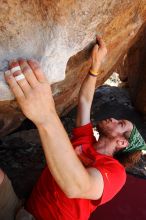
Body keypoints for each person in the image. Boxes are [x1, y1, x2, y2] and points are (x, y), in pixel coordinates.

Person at [1, 36, 146, 220]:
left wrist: (46, 115)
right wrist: (95, 66)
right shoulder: (85, 140)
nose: (114, 119)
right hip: (23, 211)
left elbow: (76, 187)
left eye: (121, 124)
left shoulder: (115, 172)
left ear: (121, 142)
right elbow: (85, 101)